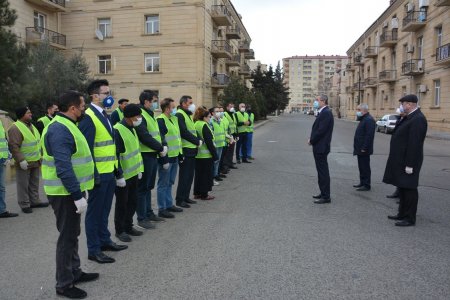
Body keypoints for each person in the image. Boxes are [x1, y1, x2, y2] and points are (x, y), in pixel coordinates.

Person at [41, 90, 99, 299]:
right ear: (73, 108)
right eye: (82, 106)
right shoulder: (59, 129)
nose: (84, 109)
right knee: (66, 237)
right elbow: (63, 166)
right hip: (64, 193)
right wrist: (76, 195)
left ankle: (75, 272)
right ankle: (64, 284)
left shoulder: (67, 125)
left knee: (73, 234)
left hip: (69, 191)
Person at [78, 79, 127, 264]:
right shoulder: (89, 117)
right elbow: (87, 150)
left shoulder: (105, 115)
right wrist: (94, 175)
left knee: (105, 210)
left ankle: (105, 240)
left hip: (109, 172)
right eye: (106, 93)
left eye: (109, 92)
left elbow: (109, 147)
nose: (110, 96)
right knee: (95, 212)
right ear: (95, 96)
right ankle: (94, 249)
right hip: (98, 174)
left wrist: (117, 171)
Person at [383, 94, 427, 227]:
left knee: (409, 190)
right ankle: (401, 213)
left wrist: (410, 164)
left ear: (410, 104)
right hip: (401, 160)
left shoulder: (418, 119)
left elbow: (415, 144)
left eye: (403, 104)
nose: (401, 107)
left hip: (408, 162)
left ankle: (409, 218)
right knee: (402, 188)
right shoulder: (409, 117)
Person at [113, 104, 144, 242]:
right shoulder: (118, 130)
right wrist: (118, 175)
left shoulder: (132, 128)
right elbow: (115, 155)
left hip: (133, 173)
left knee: (132, 202)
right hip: (123, 176)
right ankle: (120, 230)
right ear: (130, 117)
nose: (140, 118)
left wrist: (139, 170)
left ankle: (128, 225)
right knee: (122, 204)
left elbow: (135, 152)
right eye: (138, 116)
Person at [135, 90, 167, 229]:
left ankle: (149, 212)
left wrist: (162, 146)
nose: (155, 103)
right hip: (145, 154)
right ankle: (142, 217)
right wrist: (160, 148)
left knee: (149, 187)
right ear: (146, 102)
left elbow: (157, 134)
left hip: (152, 154)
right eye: (154, 101)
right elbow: (144, 136)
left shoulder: (150, 114)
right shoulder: (140, 116)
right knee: (143, 188)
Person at [8, 106, 48, 213]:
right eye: (28, 113)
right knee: (23, 184)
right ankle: (25, 204)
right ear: (22, 115)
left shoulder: (31, 126)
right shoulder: (15, 128)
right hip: (24, 162)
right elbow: (14, 146)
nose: (31, 114)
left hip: (35, 160)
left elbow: (36, 142)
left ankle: (35, 201)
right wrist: (21, 160)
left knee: (34, 183)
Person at [156, 98, 183, 218]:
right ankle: (162, 208)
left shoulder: (174, 119)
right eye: (173, 107)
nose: (174, 109)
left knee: (170, 182)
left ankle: (169, 204)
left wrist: (180, 154)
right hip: (166, 157)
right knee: (163, 183)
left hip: (175, 155)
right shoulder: (160, 120)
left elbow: (177, 137)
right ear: (167, 108)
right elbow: (161, 140)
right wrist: (163, 159)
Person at [175, 95, 202, 207]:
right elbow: (184, 132)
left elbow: (193, 130)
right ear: (184, 103)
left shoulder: (188, 115)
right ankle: (180, 199)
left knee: (190, 175)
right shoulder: (180, 115)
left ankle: (186, 197)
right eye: (190, 102)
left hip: (192, 149)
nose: (192, 105)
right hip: (186, 149)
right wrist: (196, 141)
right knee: (184, 176)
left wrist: (199, 139)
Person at [308, 95, 334, 204]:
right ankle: (323, 193)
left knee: (323, 172)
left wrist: (311, 140)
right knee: (320, 171)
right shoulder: (323, 112)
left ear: (323, 101)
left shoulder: (326, 113)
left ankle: (326, 196)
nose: (315, 102)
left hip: (321, 147)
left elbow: (321, 131)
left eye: (317, 100)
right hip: (319, 146)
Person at [193, 106, 218, 200]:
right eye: (209, 117)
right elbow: (209, 142)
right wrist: (215, 156)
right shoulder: (204, 125)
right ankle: (204, 194)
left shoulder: (196, 124)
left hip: (198, 155)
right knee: (206, 175)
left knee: (199, 175)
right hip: (206, 155)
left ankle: (197, 193)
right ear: (204, 117)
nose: (210, 118)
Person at [352, 103, 376, 191]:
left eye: (359, 110)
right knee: (361, 167)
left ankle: (366, 185)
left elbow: (369, 136)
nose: (357, 112)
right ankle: (362, 182)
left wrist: (364, 147)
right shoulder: (364, 119)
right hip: (360, 148)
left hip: (364, 149)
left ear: (364, 110)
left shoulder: (369, 120)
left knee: (365, 167)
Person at [0, 119, 18, 218]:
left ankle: (2, 210)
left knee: (1, 188)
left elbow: (4, 140)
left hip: (1, 159)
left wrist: (8, 155)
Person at [210, 106, 225, 183]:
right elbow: (211, 134)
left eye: (219, 111)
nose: (219, 113)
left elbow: (223, 132)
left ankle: (215, 175)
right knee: (214, 161)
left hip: (221, 144)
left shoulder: (220, 120)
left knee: (217, 161)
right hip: (215, 145)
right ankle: (212, 177)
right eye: (217, 111)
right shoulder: (211, 122)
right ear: (212, 113)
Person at [223, 102, 238, 170]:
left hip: (233, 135)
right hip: (228, 135)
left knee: (231, 150)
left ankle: (230, 163)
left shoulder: (233, 114)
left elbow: (235, 125)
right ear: (227, 107)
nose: (232, 108)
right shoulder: (225, 114)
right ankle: (226, 164)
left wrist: (236, 134)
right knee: (227, 151)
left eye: (233, 106)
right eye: (230, 106)